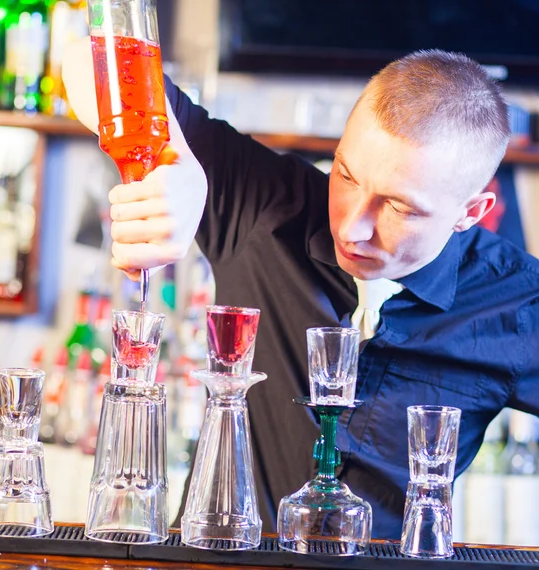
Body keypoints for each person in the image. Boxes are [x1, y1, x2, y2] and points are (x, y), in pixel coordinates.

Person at [63, 44, 539, 539]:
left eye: (399, 208)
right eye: (346, 175)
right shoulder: (265, 203)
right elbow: (88, 61)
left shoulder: (518, 303)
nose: (353, 227)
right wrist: (174, 158)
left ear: (471, 211)